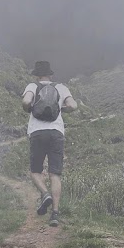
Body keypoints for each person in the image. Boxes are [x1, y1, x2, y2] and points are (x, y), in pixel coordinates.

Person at [22, 61, 77, 227]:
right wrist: (62, 109)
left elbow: (26, 102)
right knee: (55, 174)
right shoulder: (60, 87)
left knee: (35, 171)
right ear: (50, 74)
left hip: (37, 133)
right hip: (56, 133)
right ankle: (54, 214)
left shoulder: (32, 86)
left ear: (37, 75)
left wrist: (29, 109)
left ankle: (45, 193)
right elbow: (73, 106)